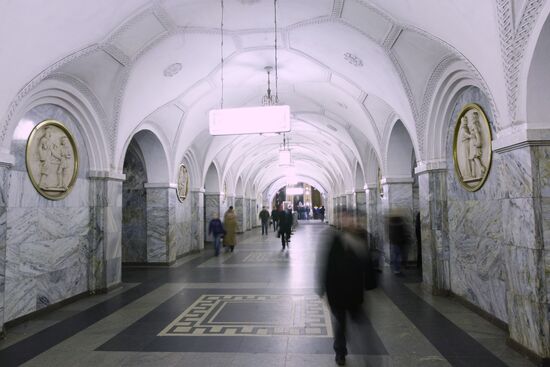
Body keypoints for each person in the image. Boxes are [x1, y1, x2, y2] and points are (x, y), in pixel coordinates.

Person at [317, 209, 369, 366]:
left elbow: (367, 263)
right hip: (337, 291)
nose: (347, 221)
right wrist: (322, 287)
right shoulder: (334, 239)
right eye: (344, 218)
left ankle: (366, 352)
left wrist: (371, 283)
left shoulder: (361, 237)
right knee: (340, 324)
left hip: (354, 290)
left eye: (349, 218)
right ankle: (340, 352)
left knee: (360, 323)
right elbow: (326, 266)